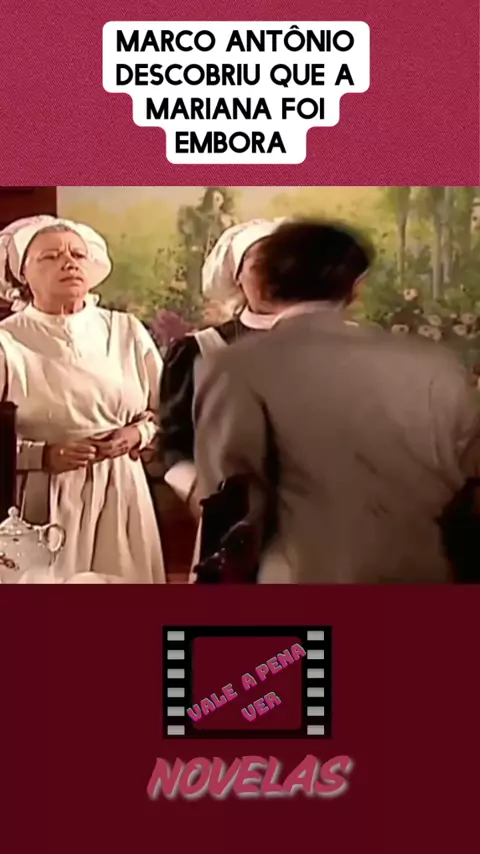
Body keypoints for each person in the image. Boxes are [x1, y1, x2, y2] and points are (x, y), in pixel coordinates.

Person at [193, 219, 480, 584]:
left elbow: (229, 492)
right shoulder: (433, 363)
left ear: (266, 283)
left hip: (302, 579)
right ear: (356, 287)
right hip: (425, 574)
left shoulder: (237, 366)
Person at [0, 215, 165, 583]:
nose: (69, 263)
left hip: (121, 491)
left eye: (77, 254)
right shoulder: (7, 341)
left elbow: (167, 408)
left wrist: (137, 434)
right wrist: (42, 455)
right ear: (23, 274)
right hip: (42, 499)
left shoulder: (125, 330)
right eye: (51, 256)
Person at [160, 219, 286, 517]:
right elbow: (174, 442)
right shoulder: (201, 349)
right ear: (237, 277)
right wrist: (197, 492)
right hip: (233, 512)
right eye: (260, 266)